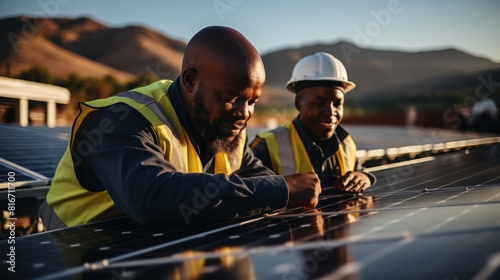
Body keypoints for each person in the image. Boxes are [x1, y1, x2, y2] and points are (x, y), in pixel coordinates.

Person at [39, 26, 321, 230]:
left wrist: (280, 189)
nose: (244, 113)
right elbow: (151, 197)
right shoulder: (120, 120)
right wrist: (282, 189)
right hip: (65, 257)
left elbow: (255, 176)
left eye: (252, 101)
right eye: (230, 98)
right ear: (189, 80)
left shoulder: (227, 127)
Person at [251, 52, 375, 193]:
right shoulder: (266, 145)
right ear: (299, 103)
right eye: (319, 103)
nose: (330, 111)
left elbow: (357, 170)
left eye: (337, 103)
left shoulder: (345, 142)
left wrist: (364, 176)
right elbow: (250, 195)